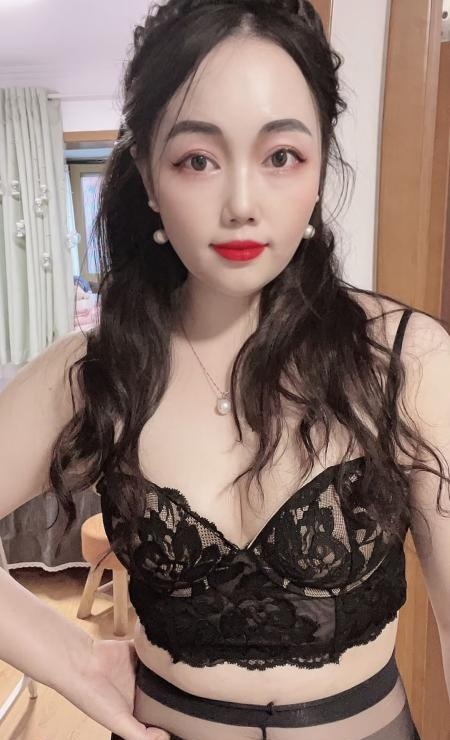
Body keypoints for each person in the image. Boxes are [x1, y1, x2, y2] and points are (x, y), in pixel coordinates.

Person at [0, 1, 449, 739]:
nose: (242, 204)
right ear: (149, 177)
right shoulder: (95, 372)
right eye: (197, 160)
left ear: (319, 166)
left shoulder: (405, 362)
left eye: (281, 156)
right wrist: (73, 661)